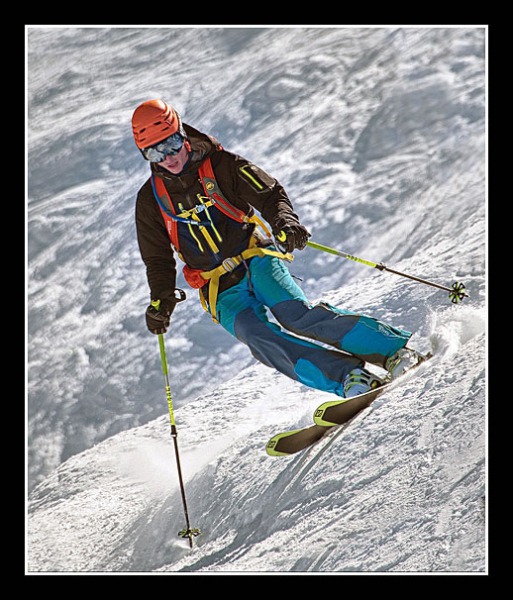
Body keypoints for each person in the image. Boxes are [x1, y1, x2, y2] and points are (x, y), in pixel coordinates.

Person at [132, 99, 424, 398]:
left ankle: (394, 352)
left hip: (256, 258)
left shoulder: (222, 165)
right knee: (258, 338)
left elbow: (270, 194)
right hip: (217, 285)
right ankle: (349, 378)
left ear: (182, 134)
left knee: (295, 315)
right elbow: (157, 258)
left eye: (171, 144)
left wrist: (285, 222)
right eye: (154, 152)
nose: (167, 157)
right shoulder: (150, 200)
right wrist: (161, 299)